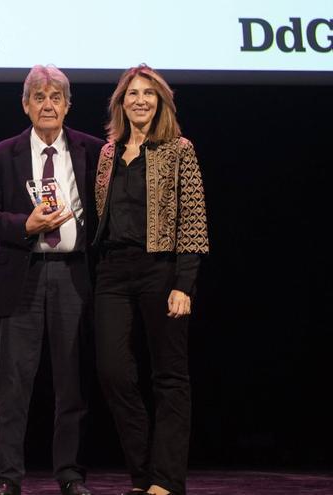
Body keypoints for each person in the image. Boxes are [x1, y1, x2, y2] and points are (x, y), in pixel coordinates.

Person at [0, 65, 103, 495]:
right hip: (22, 275)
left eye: (56, 97)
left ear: (67, 105)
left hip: (74, 276)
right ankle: (8, 477)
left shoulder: (93, 150)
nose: (47, 104)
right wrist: (24, 224)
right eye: (39, 96)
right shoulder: (1, 155)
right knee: (14, 385)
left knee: (72, 383)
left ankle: (69, 474)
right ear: (25, 104)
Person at [93, 65, 209, 495]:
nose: (139, 100)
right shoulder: (108, 153)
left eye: (148, 94)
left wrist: (185, 283)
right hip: (112, 271)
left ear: (161, 102)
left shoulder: (179, 149)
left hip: (162, 270)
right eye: (131, 94)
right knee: (113, 372)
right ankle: (143, 476)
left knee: (170, 377)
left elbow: (193, 220)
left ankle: (166, 480)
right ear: (120, 103)